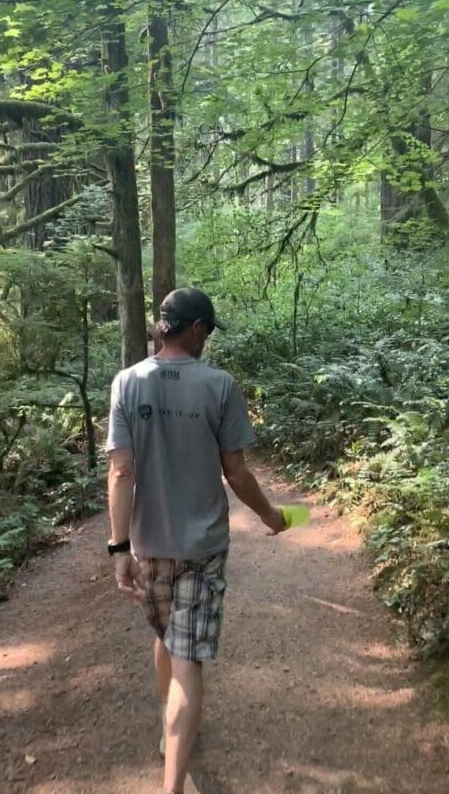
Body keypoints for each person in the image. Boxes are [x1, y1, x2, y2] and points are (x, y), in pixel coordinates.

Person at [106, 287, 287, 794]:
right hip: (203, 546)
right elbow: (237, 472)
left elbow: (121, 473)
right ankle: (173, 786)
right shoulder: (220, 386)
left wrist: (119, 548)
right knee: (187, 659)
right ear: (196, 329)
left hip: (148, 543)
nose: (207, 339)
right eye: (207, 330)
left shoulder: (127, 382)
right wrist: (271, 516)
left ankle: (172, 732)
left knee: (166, 639)